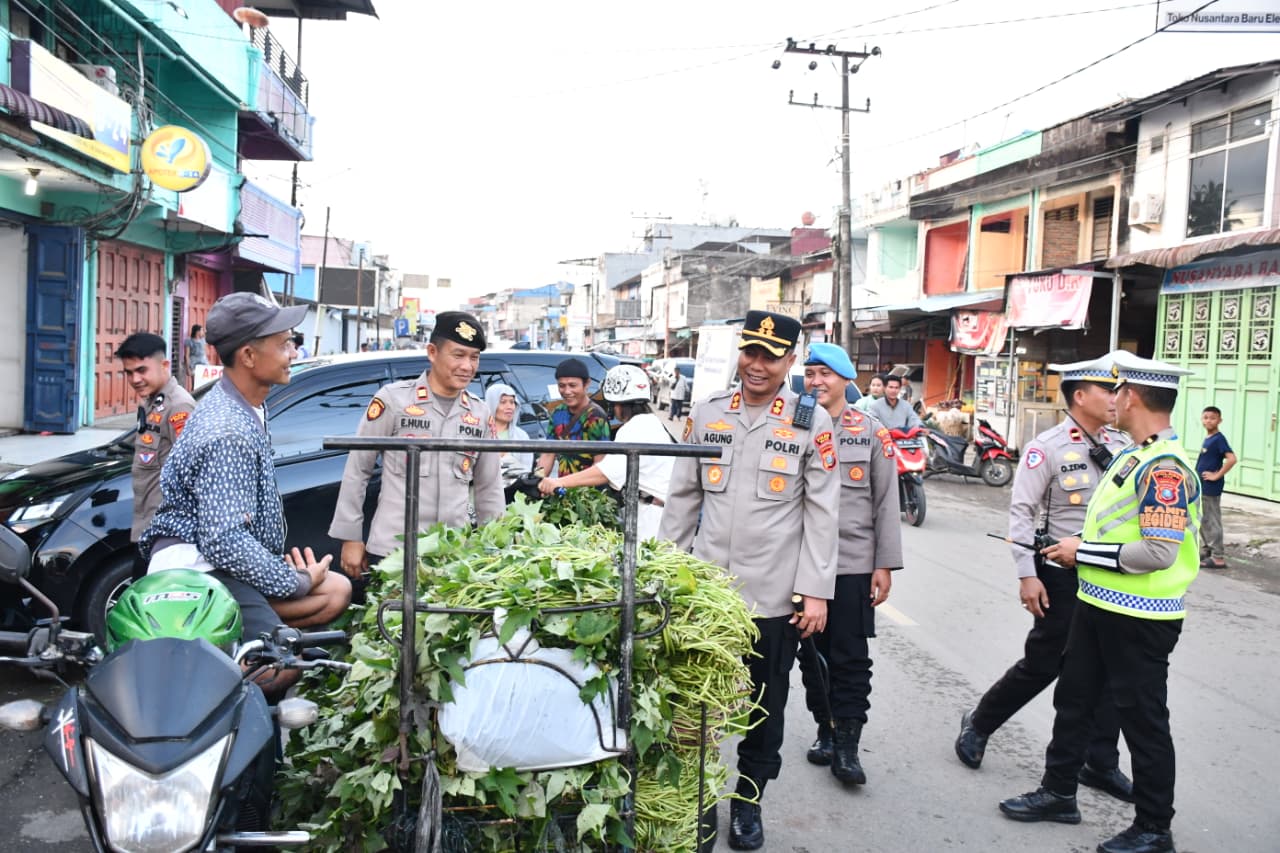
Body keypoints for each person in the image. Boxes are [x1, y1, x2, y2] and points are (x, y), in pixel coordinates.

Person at [999, 350, 1200, 853]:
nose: (1113, 399)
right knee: (1075, 699)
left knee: (1142, 719)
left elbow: (1157, 552)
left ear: (1132, 396)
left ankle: (1155, 827)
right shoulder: (1133, 454)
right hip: (1099, 602)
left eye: (1119, 391)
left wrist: (1079, 552)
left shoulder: (1165, 470)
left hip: (1141, 616)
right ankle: (1059, 791)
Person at [660, 310, 839, 850]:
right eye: (750, 353)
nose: (756, 365)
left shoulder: (811, 421)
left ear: (791, 361)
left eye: (770, 356)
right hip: (705, 594)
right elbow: (683, 497)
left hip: (772, 597)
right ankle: (699, 799)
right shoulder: (709, 412)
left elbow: (823, 511)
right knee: (696, 705)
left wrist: (815, 591)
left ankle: (747, 801)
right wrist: (668, 571)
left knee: (766, 705)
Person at [140, 293, 350, 698]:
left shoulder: (244, 404)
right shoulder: (228, 431)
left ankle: (232, 654)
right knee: (279, 663)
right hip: (199, 568)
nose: (292, 352)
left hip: (218, 559)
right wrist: (293, 580)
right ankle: (206, 708)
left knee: (335, 591)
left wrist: (291, 577)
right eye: (284, 343)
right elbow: (223, 540)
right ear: (250, 356)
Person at [956, 356, 1134, 804]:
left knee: (1112, 669)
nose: (1115, 399)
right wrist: (1026, 575)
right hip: (1061, 576)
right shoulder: (1048, 447)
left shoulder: (1122, 443)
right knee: (1045, 664)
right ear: (1080, 396)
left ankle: (1101, 762)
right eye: (1106, 391)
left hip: (1110, 574)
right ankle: (979, 723)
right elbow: (1021, 512)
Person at [329, 311, 504, 587]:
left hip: (452, 554)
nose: (468, 366)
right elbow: (358, 469)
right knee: (389, 627)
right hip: (393, 550)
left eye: (474, 357)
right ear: (432, 352)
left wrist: (494, 549)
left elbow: (489, 488)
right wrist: (351, 536)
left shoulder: (480, 413)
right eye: (458, 355)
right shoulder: (393, 400)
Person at [798, 342, 903, 787]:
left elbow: (886, 501)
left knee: (851, 657)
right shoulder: (793, 426)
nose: (817, 382)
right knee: (810, 657)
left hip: (853, 563)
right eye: (810, 373)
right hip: (801, 562)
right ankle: (826, 729)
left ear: (844, 380)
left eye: (825, 374)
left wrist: (885, 565)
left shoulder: (870, 431)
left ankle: (848, 747)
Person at [539, 365, 674, 540]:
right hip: (654, 509)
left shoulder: (634, 429)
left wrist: (558, 482)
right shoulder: (650, 422)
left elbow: (605, 472)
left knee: (641, 564)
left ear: (616, 404)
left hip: (651, 517)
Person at [116, 333, 196, 568]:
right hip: (149, 527)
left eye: (142, 370)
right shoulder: (153, 401)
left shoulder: (179, 406)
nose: (135, 379)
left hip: (167, 534)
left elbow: (191, 472)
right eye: (129, 372)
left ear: (164, 365)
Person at [534, 357, 611, 478]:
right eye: (562, 386)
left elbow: (600, 464)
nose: (567, 391)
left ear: (586, 384)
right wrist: (537, 480)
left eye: (572, 385)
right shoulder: (557, 413)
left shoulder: (596, 417)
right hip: (562, 489)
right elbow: (548, 454)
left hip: (589, 493)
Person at [1196, 406, 1235, 570]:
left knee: (1212, 520)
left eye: (1212, 418)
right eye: (1205, 417)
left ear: (1219, 420)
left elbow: (1232, 459)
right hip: (1203, 486)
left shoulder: (1219, 439)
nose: (1208, 421)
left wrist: (1216, 475)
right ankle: (1208, 549)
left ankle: (1218, 557)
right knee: (1204, 519)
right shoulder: (1209, 438)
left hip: (1211, 487)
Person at [485, 382, 534, 499]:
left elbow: (525, 472)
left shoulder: (521, 436)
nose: (509, 407)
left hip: (514, 497)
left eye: (512, 402)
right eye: (503, 402)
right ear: (491, 404)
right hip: (484, 496)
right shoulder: (480, 434)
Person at [184, 323, 208, 388]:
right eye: (201, 330)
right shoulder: (189, 341)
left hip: (204, 364)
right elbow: (187, 355)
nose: (203, 332)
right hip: (194, 364)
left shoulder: (203, 340)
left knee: (204, 384)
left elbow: (208, 332)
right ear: (197, 332)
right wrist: (188, 368)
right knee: (195, 385)